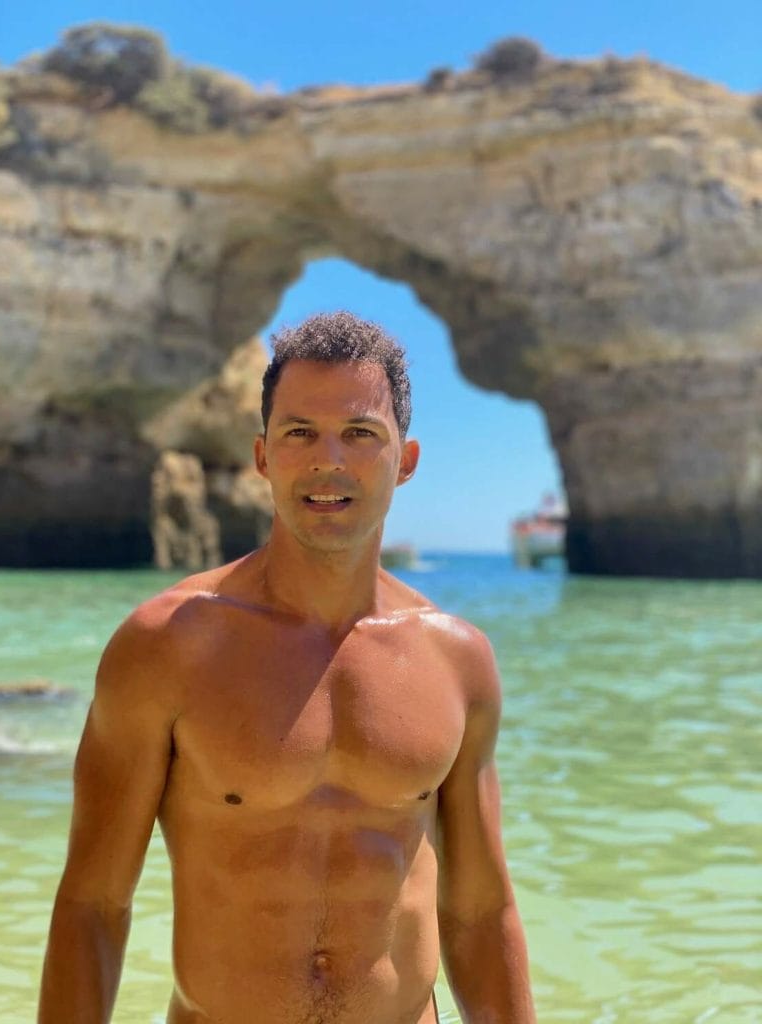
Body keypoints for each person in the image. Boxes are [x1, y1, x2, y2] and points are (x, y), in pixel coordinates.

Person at [38, 311, 536, 1024]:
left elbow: (482, 913)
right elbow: (93, 903)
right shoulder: (166, 646)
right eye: (299, 432)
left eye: (361, 434)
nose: (328, 459)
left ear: (407, 459)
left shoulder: (457, 661)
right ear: (264, 457)